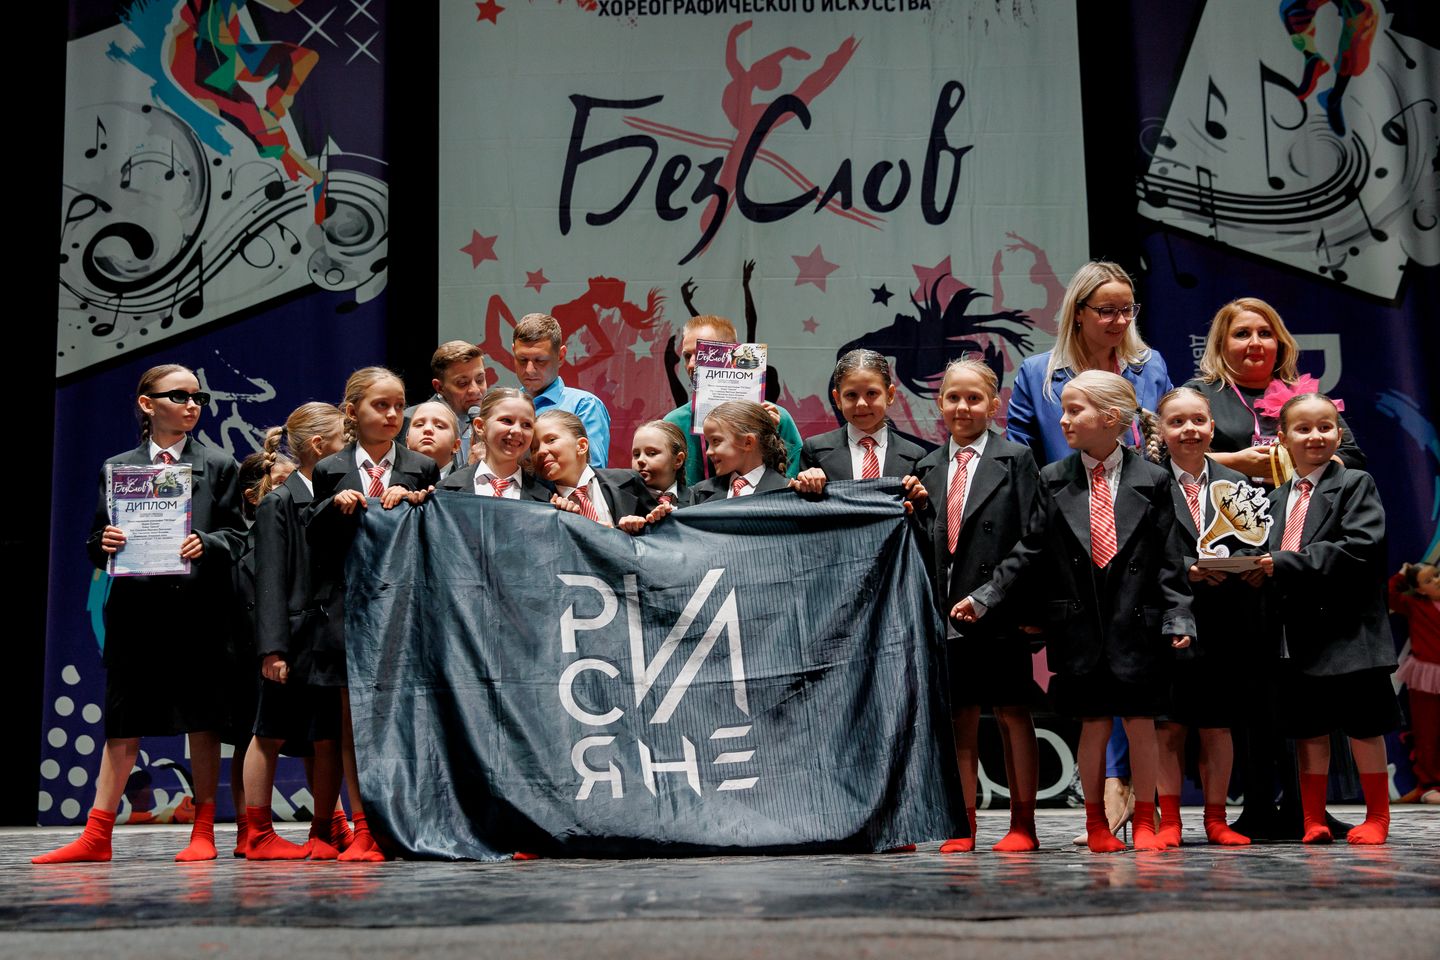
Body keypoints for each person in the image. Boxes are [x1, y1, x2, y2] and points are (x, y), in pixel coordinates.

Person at [967, 371, 1194, 852]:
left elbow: (1171, 559)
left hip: (1137, 624)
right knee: (1092, 724)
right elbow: (1031, 549)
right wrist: (989, 595)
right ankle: (1096, 824)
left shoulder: (1153, 480)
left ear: (1109, 418)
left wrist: (1178, 616)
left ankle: (1145, 819)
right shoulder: (1053, 479)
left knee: (1141, 724)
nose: (1064, 420)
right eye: (1064, 410)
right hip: (1080, 627)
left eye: (1075, 410)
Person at [35, 365, 246, 864]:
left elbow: (239, 535)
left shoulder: (218, 464)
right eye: (180, 396)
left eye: (199, 398)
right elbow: (97, 541)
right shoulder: (118, 467)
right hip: (135, 613)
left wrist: (208, 542)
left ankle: (203, 831)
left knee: (203, 722)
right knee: (123, 723)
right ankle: (96, 836)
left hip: (197, 613)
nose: (193, 405)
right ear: (147, 404)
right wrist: (103, 542)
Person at [1006, 260, 1172, 842]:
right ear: (1078, 312)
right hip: (1070, 540)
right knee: (1094, 693)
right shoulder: (1038, 373)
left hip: (1136, 531)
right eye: (1107, 310)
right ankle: (1104, 802)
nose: (1119, 320)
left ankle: (1142, 804)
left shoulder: (1149, 366)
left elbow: (1161, 442)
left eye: (1128, 309)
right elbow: (1022, 458)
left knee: (1136, 681)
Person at [1246, 393, 1399, 844]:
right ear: (1282, 438)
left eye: (1326, 427)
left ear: (1338, 433)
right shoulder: (1274, 499)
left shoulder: (1354, 483)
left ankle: (1378, 818)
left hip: (1350, 631)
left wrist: (1282, 563)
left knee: (1364, 727)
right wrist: (1251, 570)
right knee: (1309, 730)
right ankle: (1313, 818)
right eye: (1303, 429)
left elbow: (1361, 548)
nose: (1316, 436)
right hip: (1297, 634)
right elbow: (1266, 557)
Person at [306, 367, 438, 862]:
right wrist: (332, 507)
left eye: (399, 405)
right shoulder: (330, 469)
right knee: (353, 723)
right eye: (380, 405)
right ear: (352, 411)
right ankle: (363, 826)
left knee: (406, 718)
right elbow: (315, 542)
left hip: (407, 609)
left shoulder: (422, 467)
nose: (392, 415)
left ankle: (405, 820)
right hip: (350, 610)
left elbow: (437, 537)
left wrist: (419, 503)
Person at [914, 359, 1042, 853]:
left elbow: (1033, 539)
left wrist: (989, 595)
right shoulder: (925, 467)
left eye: (973, 398)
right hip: (946, 613)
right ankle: (962, 825)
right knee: (959, 719)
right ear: (939, 403)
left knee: (1012, 712)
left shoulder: (1017, 458)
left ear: (994, 405)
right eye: (953, 398)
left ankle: (1023, 824)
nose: (962, 407)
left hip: (999, 610)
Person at [1139, 387, 1260, 846]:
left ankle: (1216, 820)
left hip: (1225, 617)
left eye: (1197, 420)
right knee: (1168, 725)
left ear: (1212, 426)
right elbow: (1136, 551)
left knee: (1217, 724)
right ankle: (1170, 821)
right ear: (1161, 430)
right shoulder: (1144, 481)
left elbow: (1253, 539)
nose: (1189, 430)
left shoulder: (1237, 481)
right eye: (1177, 422)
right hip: (1167, 618)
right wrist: (1185, 569)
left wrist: (1252, 566)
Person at [243, 403, 351, 860]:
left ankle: (324, 829)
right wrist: (273, 649)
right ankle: (258, 833)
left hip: (328, 636)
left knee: (327, 737)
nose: (349, 448)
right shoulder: (279, 501)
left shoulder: (339, 496)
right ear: (319, 446)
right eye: (344, 439)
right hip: (292, 635)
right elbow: (268, 579)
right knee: (269, 732)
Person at [1185, 297, 1363, 485]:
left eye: (1265, 333)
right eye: (1242, 334)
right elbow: (1170, 458)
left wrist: (1304, 464)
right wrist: (1234, 462)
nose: (1255, 342)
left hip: (1298, 501)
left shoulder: (1302, 396)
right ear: (1221, 344)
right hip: (1223, 500)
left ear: (1279, 343)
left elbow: (1352, 456)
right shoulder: (1197, 395)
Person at [663, 315, 804, 484]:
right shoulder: (674, 424)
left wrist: (766, 437)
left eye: (702, 353)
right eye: (687, 356)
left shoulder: (777, 417)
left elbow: (791, 487)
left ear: (731, 355)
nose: (692, 364)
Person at [796, 349, 928, 484]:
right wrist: (807, 484)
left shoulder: (915, 456)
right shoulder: (815, 451)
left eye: (871, 393)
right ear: (838, 399)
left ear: (890, 395)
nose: (861, 404)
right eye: (851, 395)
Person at [513, 313, 610, 468]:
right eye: (522, 360)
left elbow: (591, 472)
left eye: (540, 360)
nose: (529, 370)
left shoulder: (584, 405)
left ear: (560, 356)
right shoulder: (506, 408)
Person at [533, 410, 657, 523]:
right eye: (534, 448)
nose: (541, 451)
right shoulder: (539, 505)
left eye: (551, 440)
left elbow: (660, 532)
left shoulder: (629, 480)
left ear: (582, 446)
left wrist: (633, 530)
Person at [439, 388, 553, 502]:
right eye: (507, 420)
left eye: (526, 425)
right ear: (480, 426)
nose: (517, 430)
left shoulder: (545, 499)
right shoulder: (444, 490)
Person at [1390, 562, 1440, 805]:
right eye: (1428, 581)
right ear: (1419, 589)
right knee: (1427, 732)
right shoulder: (1414, 604)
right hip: (1426, 676)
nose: (1437, 581)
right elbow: (1390, 596)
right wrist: (1401, 575)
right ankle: (1429, 785)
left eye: (1437, 575)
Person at [685, 401, 797, 504]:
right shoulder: (700, 493)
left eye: (716, 441)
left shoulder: (787, 491)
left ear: (748, 442)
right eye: (708, 443)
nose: (708, 452)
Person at [403, 341, 488, 469]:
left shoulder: (491, 422)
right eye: (462, 383)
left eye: (480, 380)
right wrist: (470, 469)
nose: (475, 390)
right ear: (439, 387)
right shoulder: (410, 421)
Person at [631, 419, 688, 504]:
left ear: (678, 460)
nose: (640, 460)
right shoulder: (620, 503)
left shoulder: (697, 501)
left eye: (652, 453)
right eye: (636, 454)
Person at [406, 400, 463, 480]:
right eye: (419, 425)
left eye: (439, 426)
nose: (428, 429)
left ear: (455, 445)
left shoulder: (469, 484)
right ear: (407, 441)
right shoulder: (392, 481)